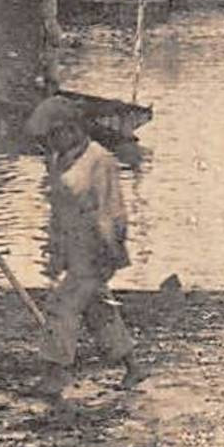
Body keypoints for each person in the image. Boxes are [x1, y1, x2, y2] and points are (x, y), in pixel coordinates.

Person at [24, 96, 144, 394]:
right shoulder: (59, 159)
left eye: (55, 135)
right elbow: (57, 209)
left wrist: (111, 253)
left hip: (96, 248)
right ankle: (133, 367)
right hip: (72, 247)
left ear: (71, 129)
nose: (51, 143)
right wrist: (54, 252)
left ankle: (56, 374)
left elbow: (113, 211)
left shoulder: (99, 160)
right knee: (98, 310)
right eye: (48, 138)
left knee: (62, 306)